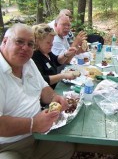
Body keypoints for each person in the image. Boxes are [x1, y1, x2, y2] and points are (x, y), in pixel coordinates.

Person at [0, 24, 74, 159]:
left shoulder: (28, 63)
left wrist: (55, 97)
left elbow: (43, 88)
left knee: (65, 147)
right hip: (8, 146)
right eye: (19, 41)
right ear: (5, 41)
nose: (25, 48)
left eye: (30, 44)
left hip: (38, 136)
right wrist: (34, 124)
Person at [32, 24, 79, 89]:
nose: (51, 45)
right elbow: (43, 80)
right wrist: (63, 75)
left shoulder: (46, 52)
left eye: (52, 42)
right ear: (37, 41)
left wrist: (66, 54)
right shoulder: (34, 57)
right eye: (48, 42)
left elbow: (57, 61)